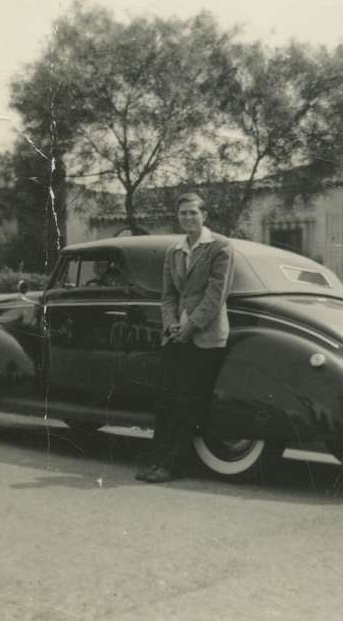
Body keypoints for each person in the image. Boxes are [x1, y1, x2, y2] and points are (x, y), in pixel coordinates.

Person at [136, 192, 233, 483]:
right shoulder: (174, 252)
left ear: (205, 215)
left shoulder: (220, 248)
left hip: (205, 336)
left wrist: (189, 327)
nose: (188, 218)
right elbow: (167, 296)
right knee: (165, 400)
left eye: (193, 213)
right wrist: (170, 326)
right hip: (176, 335)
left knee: (186, 402)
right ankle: (157, 461)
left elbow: (216, 297)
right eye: (183, 214)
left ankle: (172, 465)